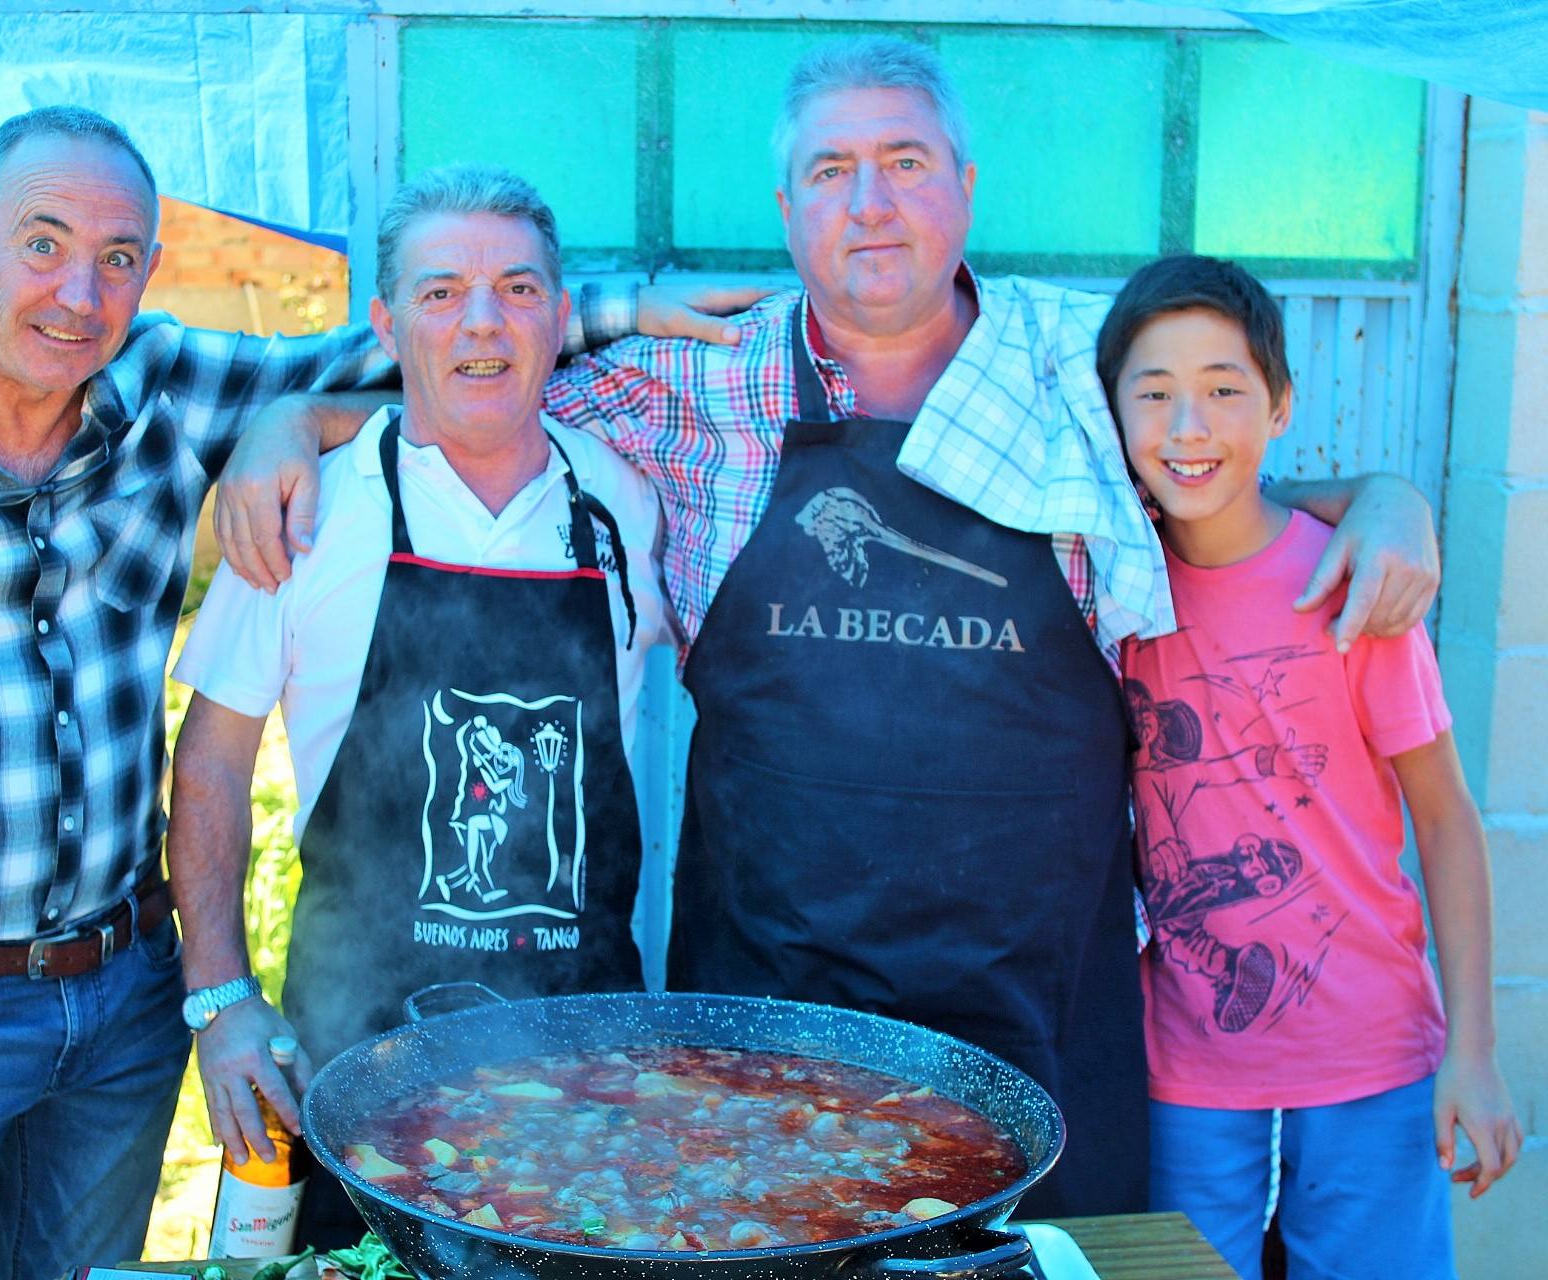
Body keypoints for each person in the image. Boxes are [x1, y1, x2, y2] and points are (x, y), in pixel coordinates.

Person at [215, 36, 1442, 1217]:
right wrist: (294, 423)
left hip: (1034, 1015)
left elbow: (1231, 484)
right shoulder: (697, 380)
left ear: (966, 186)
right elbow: (473, 387)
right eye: (830, 171)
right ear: (788, 204)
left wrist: (1382, 499)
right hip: (763, 1015)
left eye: (906, 162)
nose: (870, 203)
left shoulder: (1088, 367)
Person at [0, 107, 737, 1277]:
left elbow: (418, 359)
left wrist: (304, 413)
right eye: (41, 243)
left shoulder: (160, 389)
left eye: (117, 258)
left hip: (117, 1004)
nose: (77, 292)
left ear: (149, 272)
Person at [166, 164, 671, 1247]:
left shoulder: (627, 499)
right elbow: (209, 763)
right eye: (441, 292)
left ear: (561, 316)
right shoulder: (306, 508)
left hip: (589, 1056)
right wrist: (220, 1002)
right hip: (357, 1058)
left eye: (518, 289)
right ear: (389, 326)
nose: (481, 322)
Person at [1098, 254, 1519, 1279]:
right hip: (1187, 1068)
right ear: (1110, 418)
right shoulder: (1110, 588)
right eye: (1154, 395)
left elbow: (1448, 817)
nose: (1189, 426)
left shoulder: (1350, 582)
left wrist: (1475, 1048)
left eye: (1225, 389)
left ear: (1280, 405)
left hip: (1373, 1060)